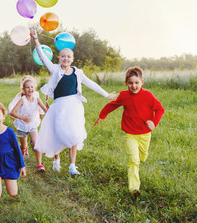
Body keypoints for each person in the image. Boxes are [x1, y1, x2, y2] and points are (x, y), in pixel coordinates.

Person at [30, 29, 117, 175]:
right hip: (59, 107)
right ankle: (56, 160)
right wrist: (36, 40)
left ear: (72, 58)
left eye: (68, 56)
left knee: (74, 133)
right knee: (58, 133)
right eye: (63, 56)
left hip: (74, 107)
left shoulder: (78, 72)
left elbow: (91, 84)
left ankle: (72, 166)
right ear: (59, 58)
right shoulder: (55, 70)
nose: (65, 59)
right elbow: (43, 57)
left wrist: (106, 94)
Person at [94, 67, 164, 198]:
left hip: (145, 134)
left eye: (137, 83)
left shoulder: (148, 96)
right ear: (126, 83)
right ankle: (134, 188)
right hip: (130, 134)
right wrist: (102, 116)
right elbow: (112, 105)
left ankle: (141, 157)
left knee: (142, 157)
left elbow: (160, 109)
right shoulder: (124, 95)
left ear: (142, 82)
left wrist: (154, 122)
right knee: (133, 160)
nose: (134, 86)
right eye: (131, 83)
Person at [10, 76, 48, 172]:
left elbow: (44, 109)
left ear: (34, 88)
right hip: (22, 125)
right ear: (23, 89)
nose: (30, 89)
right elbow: (13, 112)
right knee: (23, 145)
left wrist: (51, 112)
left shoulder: (37, 98)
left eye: (32, 87)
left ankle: (39, 164)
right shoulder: (22, 100)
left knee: (36, 143)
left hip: (32, 124)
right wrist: (23, 118)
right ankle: (23, 151)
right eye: (27, 87)